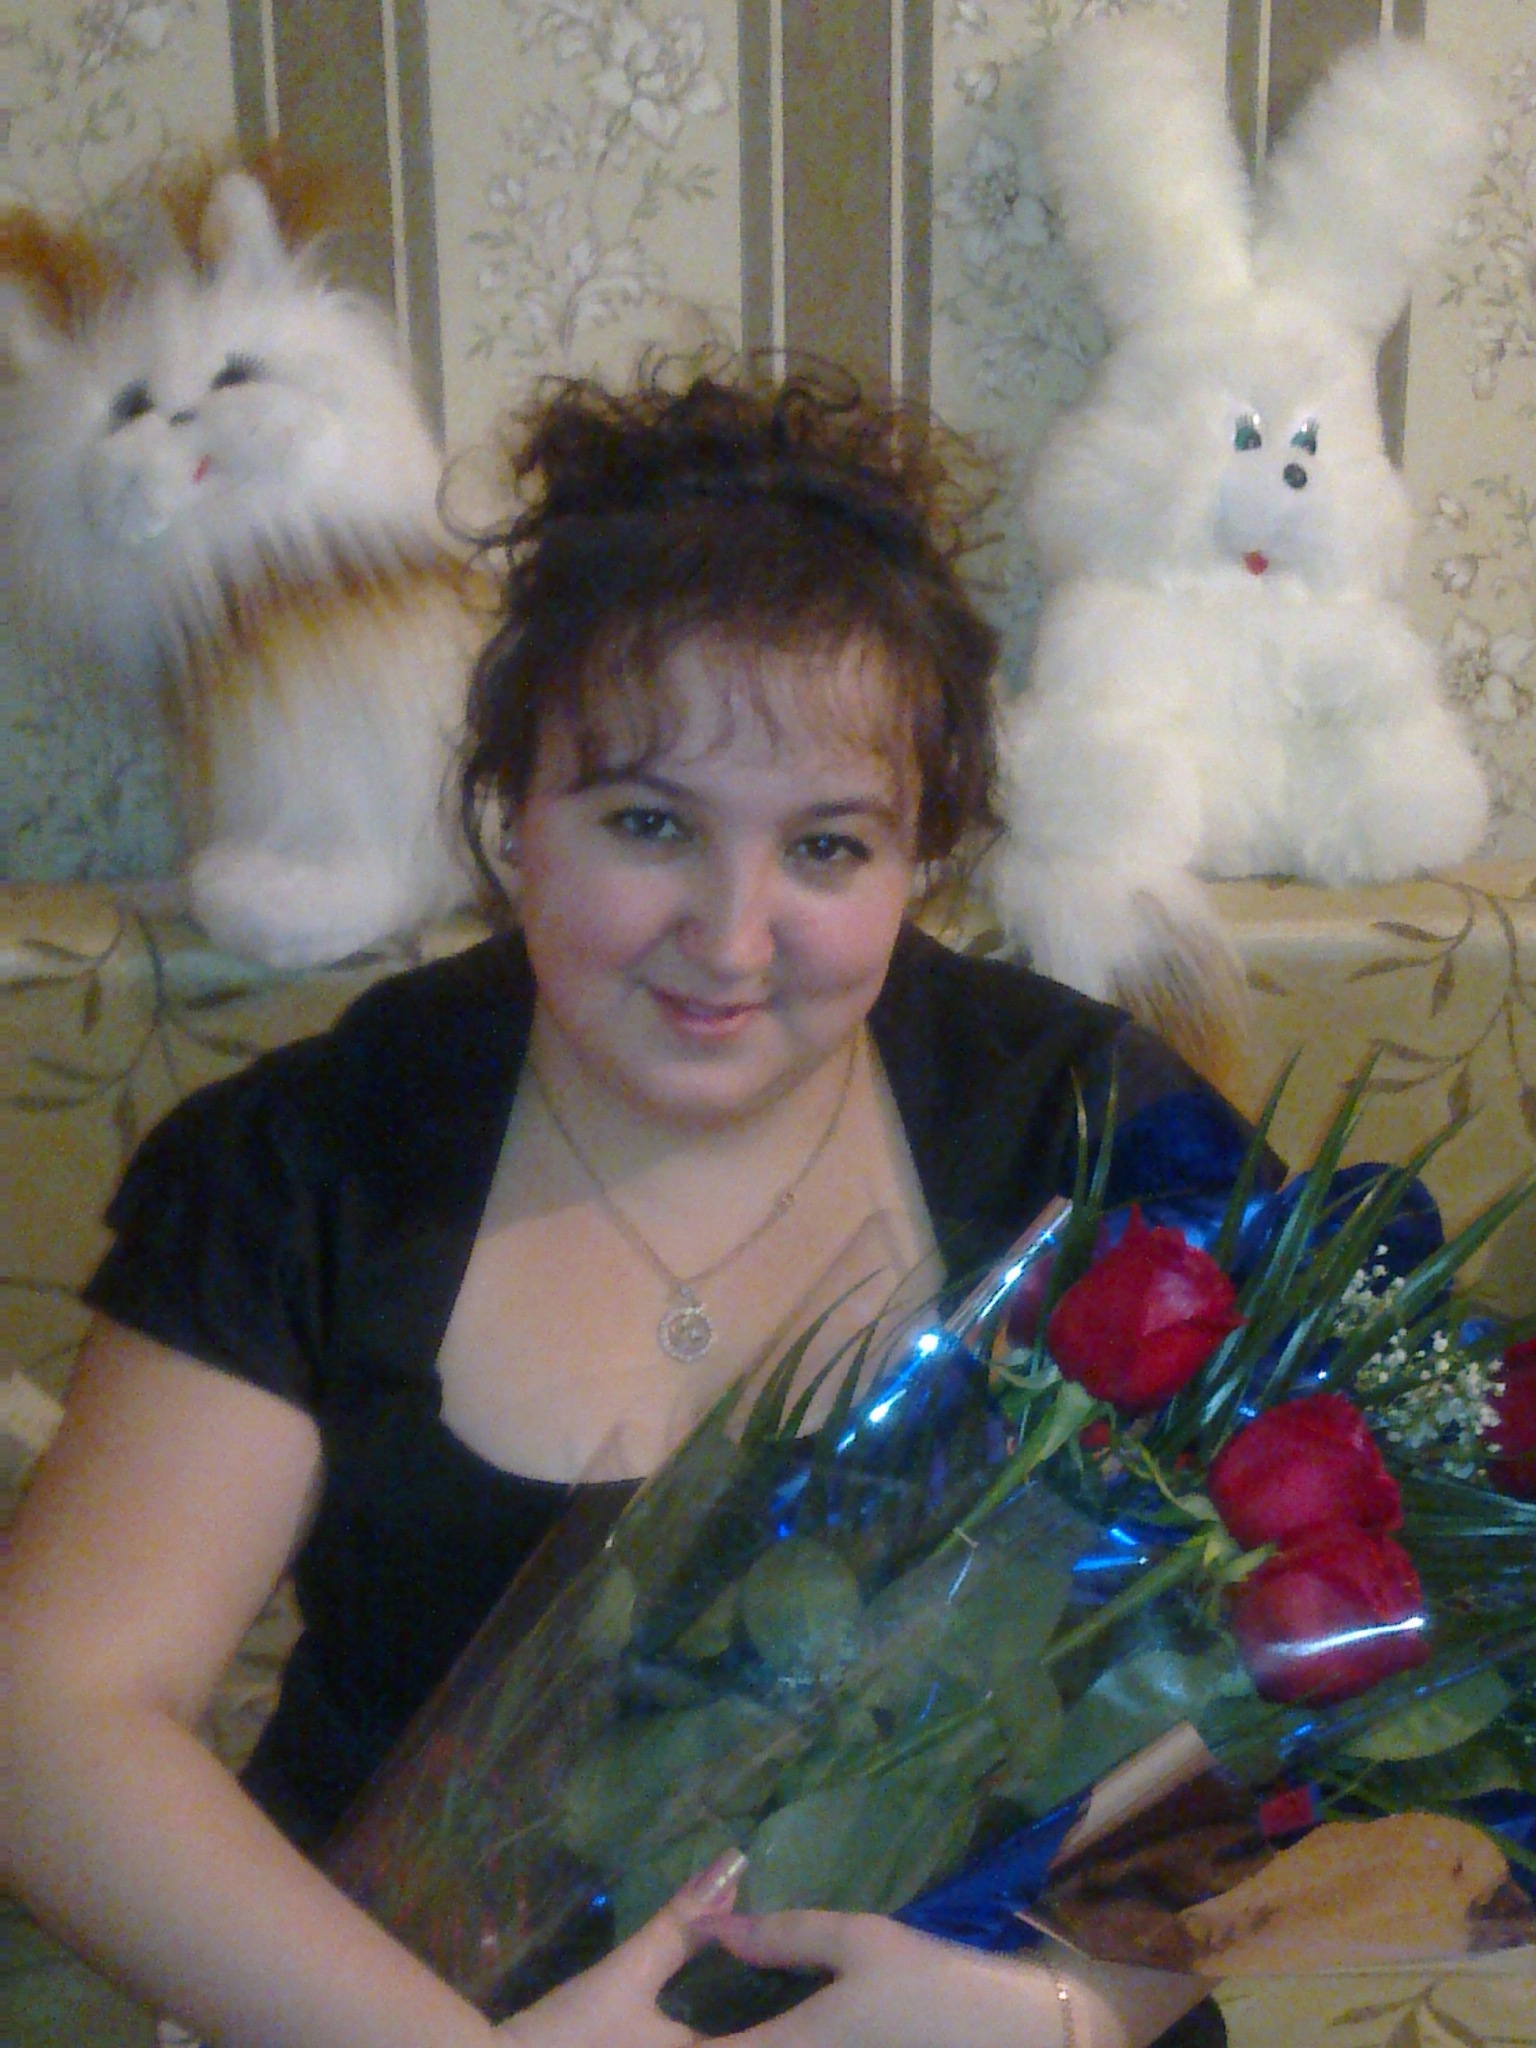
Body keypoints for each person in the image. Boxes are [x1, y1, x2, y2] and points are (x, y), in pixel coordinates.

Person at [3, 362, 1256, 2048]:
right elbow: (54, 1713)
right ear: (513, 814)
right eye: (650, 823)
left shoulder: (1093, 1129)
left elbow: (1336, 1645)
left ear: (922, 858)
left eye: (827, 848)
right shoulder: (308, 1162)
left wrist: (1067, 2009)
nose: (730, 939)